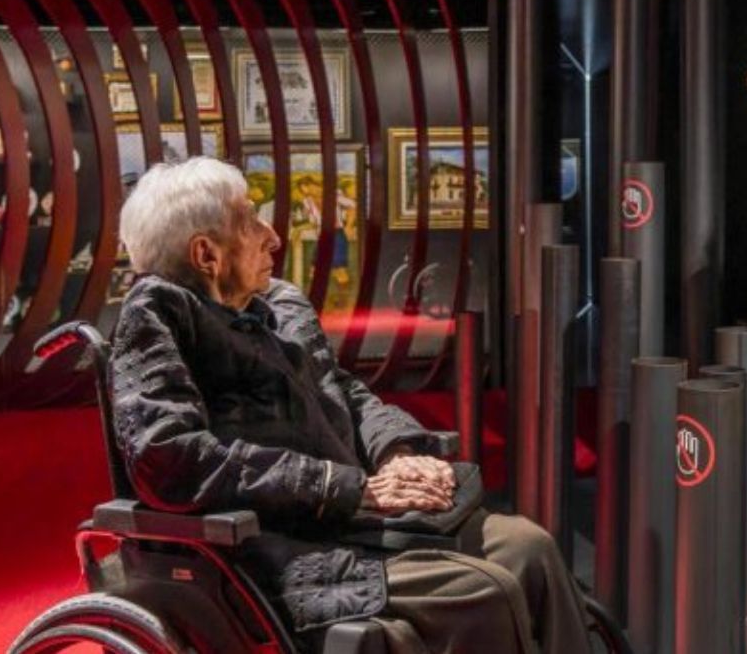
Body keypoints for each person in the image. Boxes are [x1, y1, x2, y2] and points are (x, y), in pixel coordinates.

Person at [112, 157, 591, 653]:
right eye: (249, 221)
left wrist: (397, 453)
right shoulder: (157, 315)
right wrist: (344, 487)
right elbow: (167, 457)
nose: (272, 236)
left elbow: (344, 391)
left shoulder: (276, 306)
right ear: (206, 254)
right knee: (483, 590)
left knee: (530, 548)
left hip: (349, 525)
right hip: (270, 548)